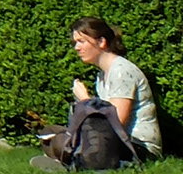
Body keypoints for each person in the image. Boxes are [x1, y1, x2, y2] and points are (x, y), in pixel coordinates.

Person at [48, 16, 163, 164]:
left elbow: (115, 123)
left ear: (101, 42)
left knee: (63, 142)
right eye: (75, 42)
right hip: (113, 142)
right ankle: (72, 159)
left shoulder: (121, 71)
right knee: (52, 135)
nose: (76, 47)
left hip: (137, 146)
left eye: (82, 41)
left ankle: (74, 161)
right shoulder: (102, 75)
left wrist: (85, 100)